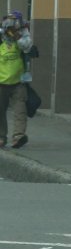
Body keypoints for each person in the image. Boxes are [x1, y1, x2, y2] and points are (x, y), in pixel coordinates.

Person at [0, 11, 34, 149]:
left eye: (14, 22)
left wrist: (16, 34)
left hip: (18, 81)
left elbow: (26, 47)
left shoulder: (23, 36)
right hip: (1, 81)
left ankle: (18, 136)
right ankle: (1, 136)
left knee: (20, 109)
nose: (11, 25)